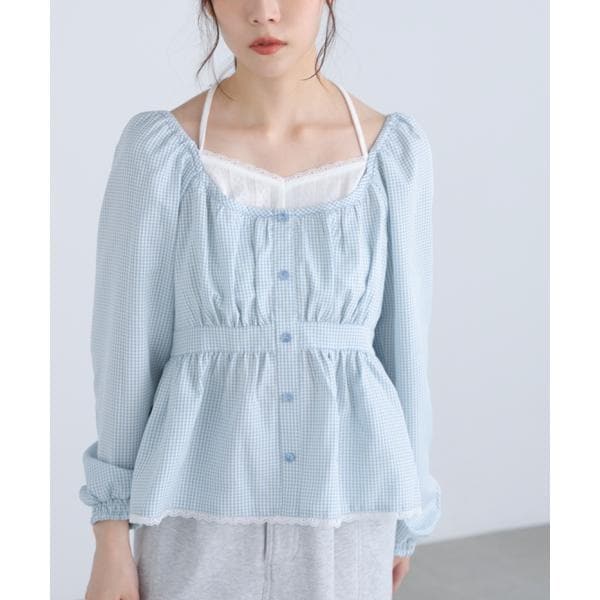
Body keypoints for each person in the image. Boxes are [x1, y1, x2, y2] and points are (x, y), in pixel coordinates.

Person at [79, 1, 442, 599]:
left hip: (349, 502)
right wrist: (111, 535)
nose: (265, 13)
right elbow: (125, 351)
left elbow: (406, 347)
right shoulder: (159, 151)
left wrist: (409, 517)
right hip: (196, 505)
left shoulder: (395, 154)